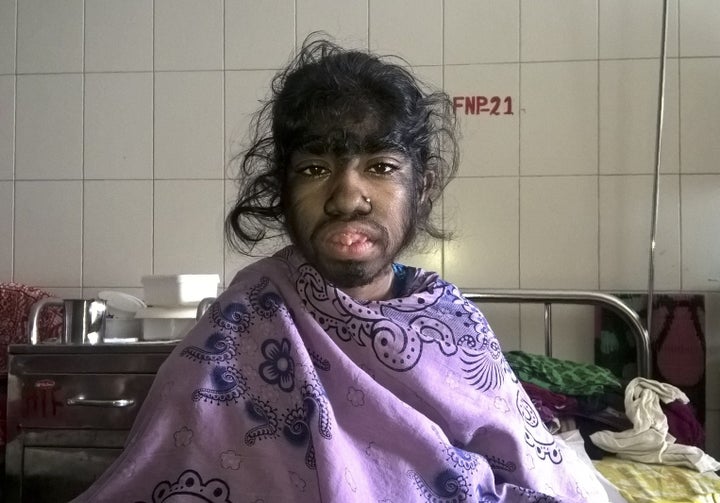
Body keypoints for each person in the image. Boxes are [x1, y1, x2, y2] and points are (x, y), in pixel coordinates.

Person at [73, 36, 609, 502]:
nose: (348, 197)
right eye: (314, 168)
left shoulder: (454, 327)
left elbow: (541, 476)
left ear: (421, 186)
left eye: (380, 167)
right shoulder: (233, 336)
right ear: (282, 190)